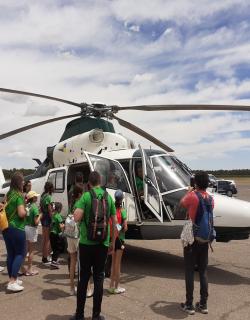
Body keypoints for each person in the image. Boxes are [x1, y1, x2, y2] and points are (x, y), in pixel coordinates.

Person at [70, 171, 117, 320]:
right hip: (102, 243)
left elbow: (76, 218)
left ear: (88, 183)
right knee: (99, 278)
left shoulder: (85, 196)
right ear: (101, 181)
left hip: (86, 243)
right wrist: (112, 242)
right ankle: (96, 315)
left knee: (83, 278)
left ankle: (79, 314)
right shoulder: (108, 197)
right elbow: (114, 223)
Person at [180, 171, 214, 315]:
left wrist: (189, 191)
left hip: (192, 239)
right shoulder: (211, 199)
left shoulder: (192, 196)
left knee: (189, 271)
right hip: (205, 240)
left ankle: (189, 304)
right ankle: (203, 304)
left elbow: (182, 204)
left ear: (196, 183)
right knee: (203, 272)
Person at [2, 172, 27, 292]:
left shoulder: (8, 194)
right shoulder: (18, 196)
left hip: (6, 228)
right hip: (17, 228)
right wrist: (26, 211)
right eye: (22, 181)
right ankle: (12, 281)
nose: (24, 183)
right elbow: (21, 213)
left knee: (11, 253)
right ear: (19, 182)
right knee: (20, 254)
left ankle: (13, 278)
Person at [108, 189, 128, 294]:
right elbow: (125, 228)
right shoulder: (122, 210)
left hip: (112, 239)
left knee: (112, 264)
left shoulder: (112, 210)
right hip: (120, 240)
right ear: (122, 199)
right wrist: (120, 227)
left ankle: (111, 286)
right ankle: (116, 287)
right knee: (118, 265)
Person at [24, 190, 41, 276]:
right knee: (31, 251)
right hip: (32, 229)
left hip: (25, 227)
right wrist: (40, 215)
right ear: (33, 198)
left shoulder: (27, 205)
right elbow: (36, 222)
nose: (37, 197)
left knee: (26, 249)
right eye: (35, 196)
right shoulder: (34, 207)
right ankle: (29, 269)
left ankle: (22, 268)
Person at [40, 181, 54, 265]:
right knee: (47, 239)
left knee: (44, 238)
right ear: (50, 188)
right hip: (47, 219)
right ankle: (45, 258)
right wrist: (53, 219)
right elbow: (49, 210)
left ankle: (44, 256)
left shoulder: (42, 196)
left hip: (43, 218)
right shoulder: (48, 197)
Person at [50, 202, 64, 269]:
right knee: (57, 249)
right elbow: (61, 226)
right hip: (56, 234)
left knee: (53, 248)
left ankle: (53, 261)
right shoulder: (58, 216)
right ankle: (54, 262)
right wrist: (63, 231)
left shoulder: (53, 215)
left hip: (51, 234)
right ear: (59, 209)